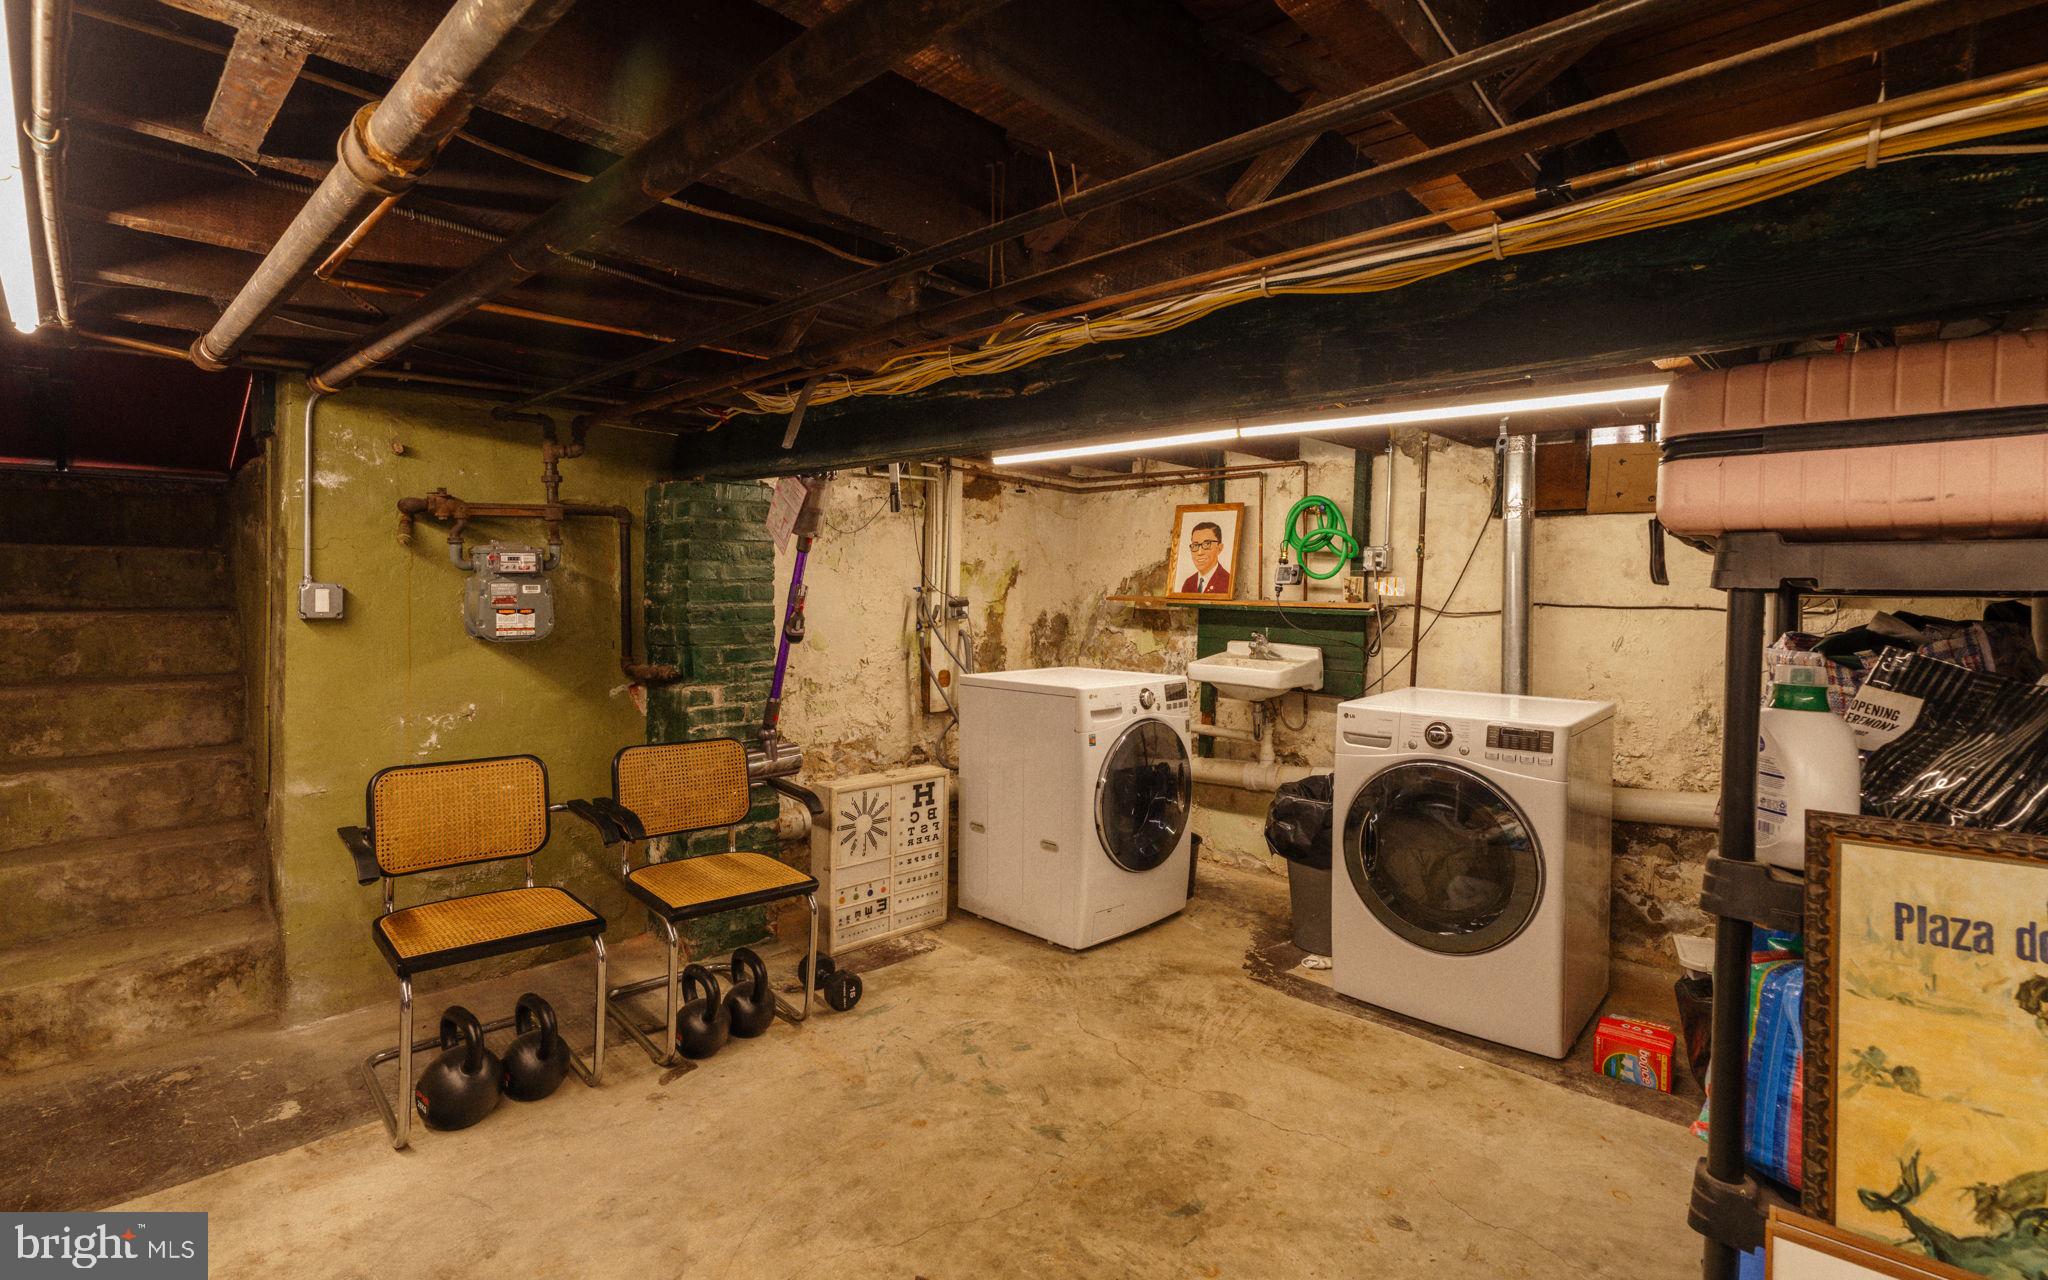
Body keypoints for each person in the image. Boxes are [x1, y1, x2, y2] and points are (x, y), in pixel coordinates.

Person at [1180, 520, 1232, 595]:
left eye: (1207, 544)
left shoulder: (1228, 582)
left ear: (1219, 548)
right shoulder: (1188, 583)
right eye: (1195, 545)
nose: (1199, 552)